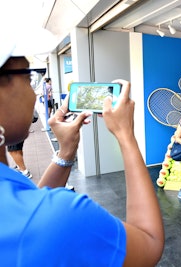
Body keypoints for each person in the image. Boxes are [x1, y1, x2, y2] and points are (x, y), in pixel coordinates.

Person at [0, 30, 164, 266]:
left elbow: (31, 203)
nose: (33, 90)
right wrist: (126, 135)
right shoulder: (64, 218)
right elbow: (149, 243)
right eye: (28, 77)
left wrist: (66, 152)